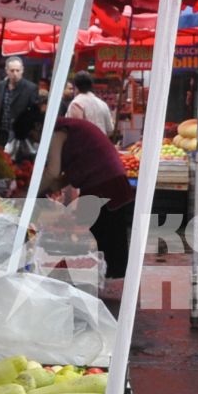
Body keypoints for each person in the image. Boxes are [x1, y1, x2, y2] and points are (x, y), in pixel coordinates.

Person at [40, 115, 135, 279]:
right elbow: (75, 168)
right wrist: (52, 187)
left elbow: (53, 171)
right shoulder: (73, 129)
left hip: (105, 185)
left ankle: (113, 282)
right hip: (108, 181)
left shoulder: (59, 132)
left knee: (108, 237)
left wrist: (32, 192)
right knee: (109, 236)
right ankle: (111, 278)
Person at [0, 55, 37, 157]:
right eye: (12, 71)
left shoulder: (30, 88)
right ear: (6, 71)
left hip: (18, 134)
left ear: (22, 70)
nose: (15, 74)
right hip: (0, 131)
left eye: (18, 70)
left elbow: (33, 113)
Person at [66, 71, 115, 138]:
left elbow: (75, 131)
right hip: (101, 145)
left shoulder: (76, 104)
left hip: (84, 146)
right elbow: (110, 129)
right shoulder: (103, 104)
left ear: (76, 87)